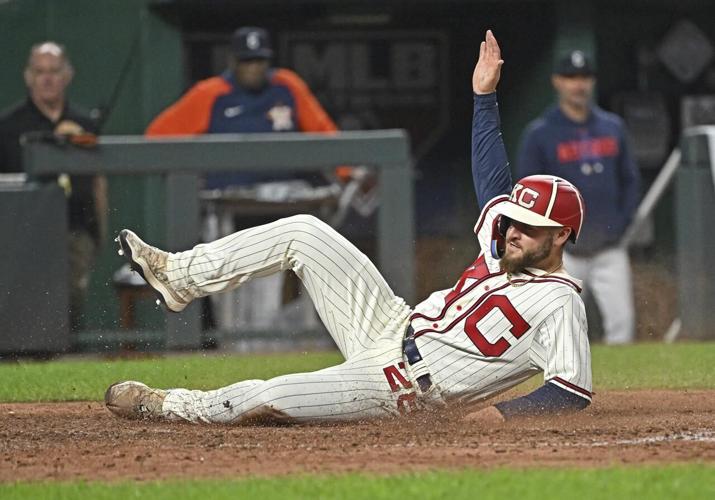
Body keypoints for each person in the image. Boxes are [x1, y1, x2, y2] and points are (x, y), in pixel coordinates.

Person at [105, 30, 592, 426]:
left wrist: (502, 414)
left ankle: (167, 405)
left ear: (561, 236)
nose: (514, 230)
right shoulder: (505, 246)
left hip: (400, 386)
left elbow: (571, 391)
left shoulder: (560, 300)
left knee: (274, 396)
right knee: (304, 230)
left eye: (530, 227)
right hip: (390, 322)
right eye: (515, 222)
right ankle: (179, 277)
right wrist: (483, 98)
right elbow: (492, 184)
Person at [516, 50, 641, 345]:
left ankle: (624, 390)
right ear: (557, 82)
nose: (578, 85)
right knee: (561, 332)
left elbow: (630, 181)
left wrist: (621, 224)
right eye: (571, 78)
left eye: (584, 77)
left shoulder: (612, 126)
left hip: (609, 248)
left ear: (592, 82)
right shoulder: (541, 133)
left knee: (622, 326)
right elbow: (528, 193)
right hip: (563, 252)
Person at [145, 25, 349, 186]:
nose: (254, 68)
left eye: (259, 60)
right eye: (247, 61)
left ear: (268, 61)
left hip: (283, 196)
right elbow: (156, 136)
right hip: (226, 197)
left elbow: (324, 133)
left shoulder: (287, 85)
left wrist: (346, 171)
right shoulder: (210, 93)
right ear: (233, 61)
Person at [0, 41, 107, 331]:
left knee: (72, 302)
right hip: (23, 234)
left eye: (54, 71)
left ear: (67, 75)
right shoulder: (9, 126)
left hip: (75, 227)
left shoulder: (84, 124)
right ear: (28, 76)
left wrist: (99, 230)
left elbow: (98, 181)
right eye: (40, 71)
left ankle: (68, 362)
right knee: (26, 308)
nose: (47, 78)